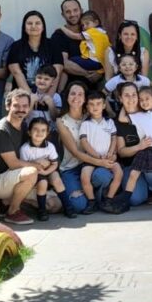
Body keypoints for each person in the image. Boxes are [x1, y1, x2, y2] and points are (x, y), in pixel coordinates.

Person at [0, 89, 40, 225]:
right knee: (32, 172)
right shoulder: (1, 130)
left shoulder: (24, 126)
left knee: (53, 205)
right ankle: (12, 212)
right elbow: (13, 164)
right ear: (8, 106)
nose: (21, 109)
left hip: (13, 177)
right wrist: (38, 166)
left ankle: (5, 202)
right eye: (16, 106)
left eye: (25, 106)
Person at [55, 81, 109, 214]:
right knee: (78, 206)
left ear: (85, 98)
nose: (76, 97)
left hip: (91, 165)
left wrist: (103, 160)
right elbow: (75, 152)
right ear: (67, 97)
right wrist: (100, 162)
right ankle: (88, 195)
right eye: (73, 94)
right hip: (71, 168)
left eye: (80, 94)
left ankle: (94, 196)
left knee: (103, 176)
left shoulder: (91, 115)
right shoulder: (62, 121)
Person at [20, 116, 76, 220]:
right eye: (35, 129)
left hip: (48, 170)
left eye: (43, 130)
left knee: (56, 179)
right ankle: (42, 210)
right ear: (29, 132)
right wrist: (37, 164)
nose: (39, 133)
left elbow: (54, 164)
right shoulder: (25, 149)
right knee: (43, 183)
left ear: (47, 133)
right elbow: (24, 166)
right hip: (34, 173)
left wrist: (46, 172)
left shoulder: (50, 146)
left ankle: (68, 206)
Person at [77, 90, 124, 214]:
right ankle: (92, 201)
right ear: (87, 107)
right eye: (91, 104)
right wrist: (96, 156)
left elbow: (114, 138)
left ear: (104, 105)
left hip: (108, 157)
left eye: (98, 104)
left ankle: (109, 199)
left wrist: (111, 152)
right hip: (92, 158)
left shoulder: (109, 122)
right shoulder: (85, 124)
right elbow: (84, 142)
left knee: (118, 172)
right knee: (84, 176)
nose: (95, 107)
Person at [7, 10, 64, 92]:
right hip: (22, 97)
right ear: (24, 27)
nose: (33, 26)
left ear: (43, 27)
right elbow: (17, 73)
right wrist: (30, 97)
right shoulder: (16, 47)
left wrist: (47, 97)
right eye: (29, 23)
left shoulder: (53, 45)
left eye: (37, 23)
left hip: (48, 95)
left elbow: (57, 73)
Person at [57, 10, 110, 80]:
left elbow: (74, 36)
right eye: (83, 25)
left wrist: (62, 28)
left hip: (93, 61)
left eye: (87, 23)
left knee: (68, 63)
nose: (84, 27)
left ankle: (61, 89)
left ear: (96, 22)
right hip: (101, 63)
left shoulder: (92, 32)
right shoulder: (102, 32)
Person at [51, 0, 87, 87]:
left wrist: (98, 73)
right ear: (63, 15)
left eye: (75, 10)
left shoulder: (92, 32)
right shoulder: (58, 35)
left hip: (97, 83)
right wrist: (87, 74)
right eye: (68, 12)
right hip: (70, 87)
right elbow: (64, 63)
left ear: (81, 10)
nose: (72, 14)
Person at [27, 65, 61, 130]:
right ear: (35, 79)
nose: (42, 81)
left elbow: (56, 118)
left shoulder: (56, 97)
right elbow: (25, 117)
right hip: (30, 130)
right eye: (39, 77)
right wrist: (31, 103)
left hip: (50, 131)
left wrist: (51, 104)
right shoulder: (29, 95)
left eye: (46, 79)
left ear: (52, 82)